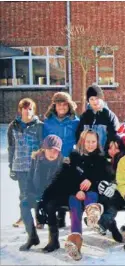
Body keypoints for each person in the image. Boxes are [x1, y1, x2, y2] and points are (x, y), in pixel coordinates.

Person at [42, 129, 112, 260]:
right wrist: (76, 190)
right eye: (87, 141)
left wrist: (91, 180)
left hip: (92, 193)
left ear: (97, 143)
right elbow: (68, 177)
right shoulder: (74, 157)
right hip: (75, 193)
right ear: (82, 142)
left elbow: (106, 175)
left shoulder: (101, 158)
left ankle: (92, 213)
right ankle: (74, 243)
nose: (90, 144)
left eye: (93, 142)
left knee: (90, 196)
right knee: (74, 208)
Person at [18, 135, 64, 252]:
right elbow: (29, 180)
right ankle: (32, 237)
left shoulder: (62, 164)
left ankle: (54, 241)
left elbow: (61, 187)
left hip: (55, 197)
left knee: (50, 207)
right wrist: (29, 195)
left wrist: (43, 201)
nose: (52, 153)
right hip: (37, 194)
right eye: (49, 149)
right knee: (24, 204)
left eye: (55, 150)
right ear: (44, 149)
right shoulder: (36, 159)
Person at [43, 92, 80, 228]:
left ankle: (66, 216)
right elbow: (44, 141)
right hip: (53, 160)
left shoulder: (75, 121)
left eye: (65, 104)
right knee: (54, 187)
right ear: (54, 106)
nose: (62, 107)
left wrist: (74, 156)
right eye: (59, 104)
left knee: (68, 187)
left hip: (68, 160)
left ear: (69, 106)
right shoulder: (48, 122)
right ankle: (57, 215)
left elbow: (79, 140)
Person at [8, 98, 44, 228]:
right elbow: (11, 147)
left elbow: (43, 146)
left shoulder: (39, 126)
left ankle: (39, 218)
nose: (27, 111)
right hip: (20, 166)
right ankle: (24, 217)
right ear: (20, 110)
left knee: (37, 192)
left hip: (35, 166)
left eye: (30, 109)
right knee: (23, 193)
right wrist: (11, 167)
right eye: (25, 108)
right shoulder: (13, 126)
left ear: (33, 110)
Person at [76, 84, 120, 152]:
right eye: (91, 99)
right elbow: (79, 136)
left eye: (97, 98)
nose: (94, 101)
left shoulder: (109, 116)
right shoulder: (84, 116)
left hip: (103, 155)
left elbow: (114, 136)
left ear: (101, 99)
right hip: (87, 155)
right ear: (88, 101)